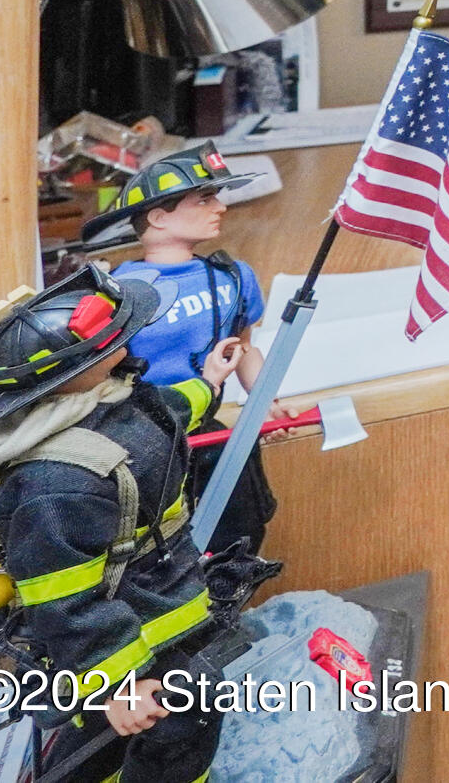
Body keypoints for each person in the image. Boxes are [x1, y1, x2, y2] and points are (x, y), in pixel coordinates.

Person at [0, 266, 250, 783]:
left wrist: (208, 384)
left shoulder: (107, 398)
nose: (126, 338)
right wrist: (120, 682)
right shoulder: (57, 483)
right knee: (184, 717)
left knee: (115, 735)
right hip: (123, 628)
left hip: (157, 603)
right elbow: (65, 603)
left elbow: (164, 412)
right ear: (79, 367)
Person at [81, 148, 298, 553]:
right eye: (204, 199)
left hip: (209, 438)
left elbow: (243, 347)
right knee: (152, 547)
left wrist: (263, 398)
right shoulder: (117, 292)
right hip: (142, 444)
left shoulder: (231, 277)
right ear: (159, 216)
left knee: (238, 536)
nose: (220, 207)